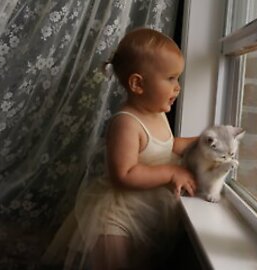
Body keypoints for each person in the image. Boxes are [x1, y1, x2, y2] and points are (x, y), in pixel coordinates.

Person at [42, 27, 198, 270]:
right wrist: (171, 172)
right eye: (170, 78)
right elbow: (124, 174)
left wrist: (198, 142)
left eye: (177, 78)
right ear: (137, 84)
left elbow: (165, 147)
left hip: (142, 214)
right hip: (116, 219)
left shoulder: (157, 113)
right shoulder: (126, 122)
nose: (177, 87)